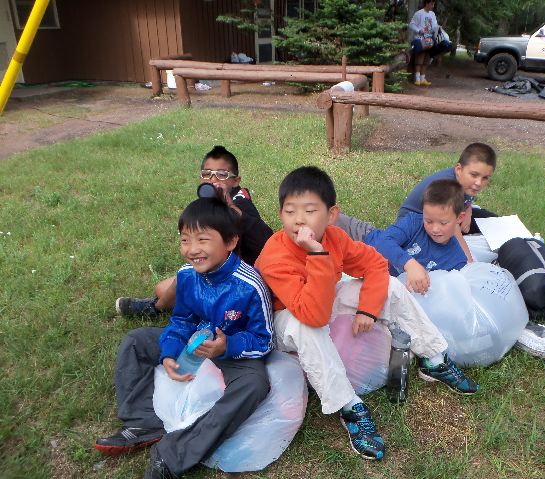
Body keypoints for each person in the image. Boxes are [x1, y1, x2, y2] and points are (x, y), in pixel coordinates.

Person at [254, 167, 479, 459]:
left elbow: (375, 264)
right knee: (305, 327)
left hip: (321, 298)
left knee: (390, 286)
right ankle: (349, 405)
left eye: (309, 211)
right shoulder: (276, 256)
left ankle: (433, 357)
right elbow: (312, 315)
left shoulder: (335, 237)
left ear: (332, 215)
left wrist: (368, 309)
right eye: (289, 211)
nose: (299, 220)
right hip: (284, 319)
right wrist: (316, 253)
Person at [95, 194, 273, 479]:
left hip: (232, 353)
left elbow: (264, 340)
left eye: (202, 240)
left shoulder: (250, 285)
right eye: (185, 240)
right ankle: (143, 422)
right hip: (195, 342)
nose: (192, 249)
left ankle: (174, 454)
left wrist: (227, 346)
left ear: (230, 241)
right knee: (136, 341)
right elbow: (181, 320)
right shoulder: (187, 276)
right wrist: (169, 351)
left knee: (254, 384)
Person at [116, 145, 273, 318]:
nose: (213, 180)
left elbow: (266, 239)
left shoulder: (240, 202)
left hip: (243, 277)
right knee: (161, 288)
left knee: (180, 283)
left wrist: (232, 207)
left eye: (222, 175)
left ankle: (156, 309)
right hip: (216, 269)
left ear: (235, 181)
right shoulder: (208, 204)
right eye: (207, 174)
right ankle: (186, 303)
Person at [337, 143, 497, 262]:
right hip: (414, 220)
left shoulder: (465, 184)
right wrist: (469, 262)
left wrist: (468, 209)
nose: (478, 183)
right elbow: (453, 227)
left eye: (485, 178)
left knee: (485, 218)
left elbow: (465, 200)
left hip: (438, 218)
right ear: (458, 170)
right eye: (474, 175)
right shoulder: (447, 187)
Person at [366, 179, 467, 293]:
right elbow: (381, 241)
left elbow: (446, 294)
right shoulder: (414, 222)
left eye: (443, 223)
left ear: (459, 218)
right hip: (364, 251)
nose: (435, 229)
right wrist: (409, 264)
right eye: (428, 221)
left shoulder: (457, 261)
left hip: (390, 290)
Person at [408, 0, 452, 86]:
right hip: (420, 40)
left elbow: (434, 26)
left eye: (434, 4)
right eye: (432, 4)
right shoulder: (419, 13)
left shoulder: (432, 14)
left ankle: (423, 79)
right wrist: (419, 30)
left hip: (431, 40)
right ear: (427, 3)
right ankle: (417, 79)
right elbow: (411, 24)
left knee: (426, 60)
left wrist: (438, 28)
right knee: (419, 60)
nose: (433, 6)